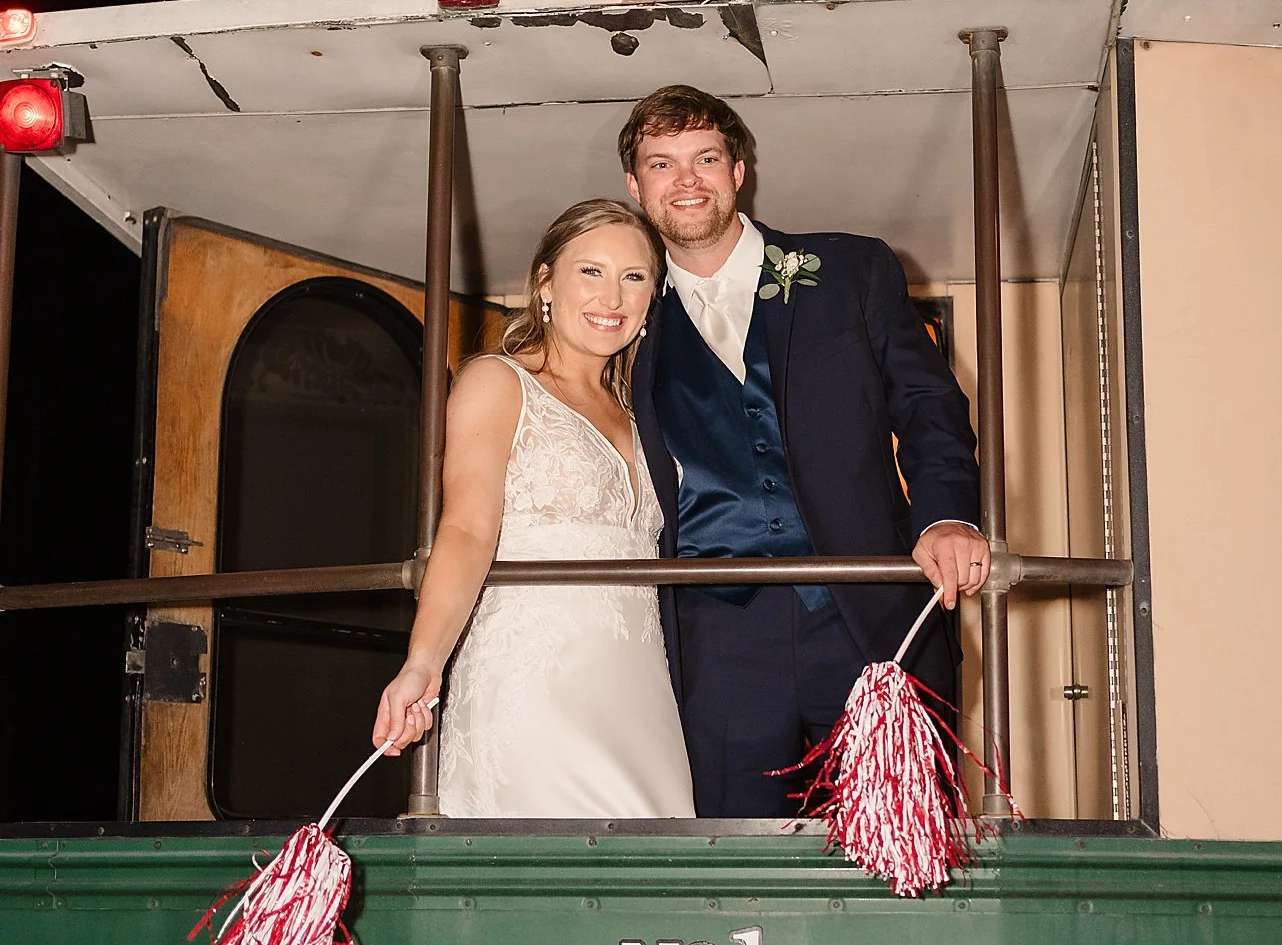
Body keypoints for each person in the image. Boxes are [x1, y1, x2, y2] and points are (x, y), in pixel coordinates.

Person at [623, 84, 991, 818]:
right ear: (635, 187)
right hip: (713, 639)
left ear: (738, 171)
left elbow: (929, 407)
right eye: (662, 165)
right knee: (732, 862)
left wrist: (945, 517)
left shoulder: (850, 271)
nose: (686, 179)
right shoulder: (623, 310)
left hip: (865, 609)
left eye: (705, 158)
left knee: (896, 841)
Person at [373, 198, 694, 819]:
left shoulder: (641, 412)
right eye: (590, 272)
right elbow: (465, 530)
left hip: (640, 689)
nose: (613, 297)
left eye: (634, 278)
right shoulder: (498, 382)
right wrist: (422, 663)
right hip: (536, 686)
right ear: (545, 282)